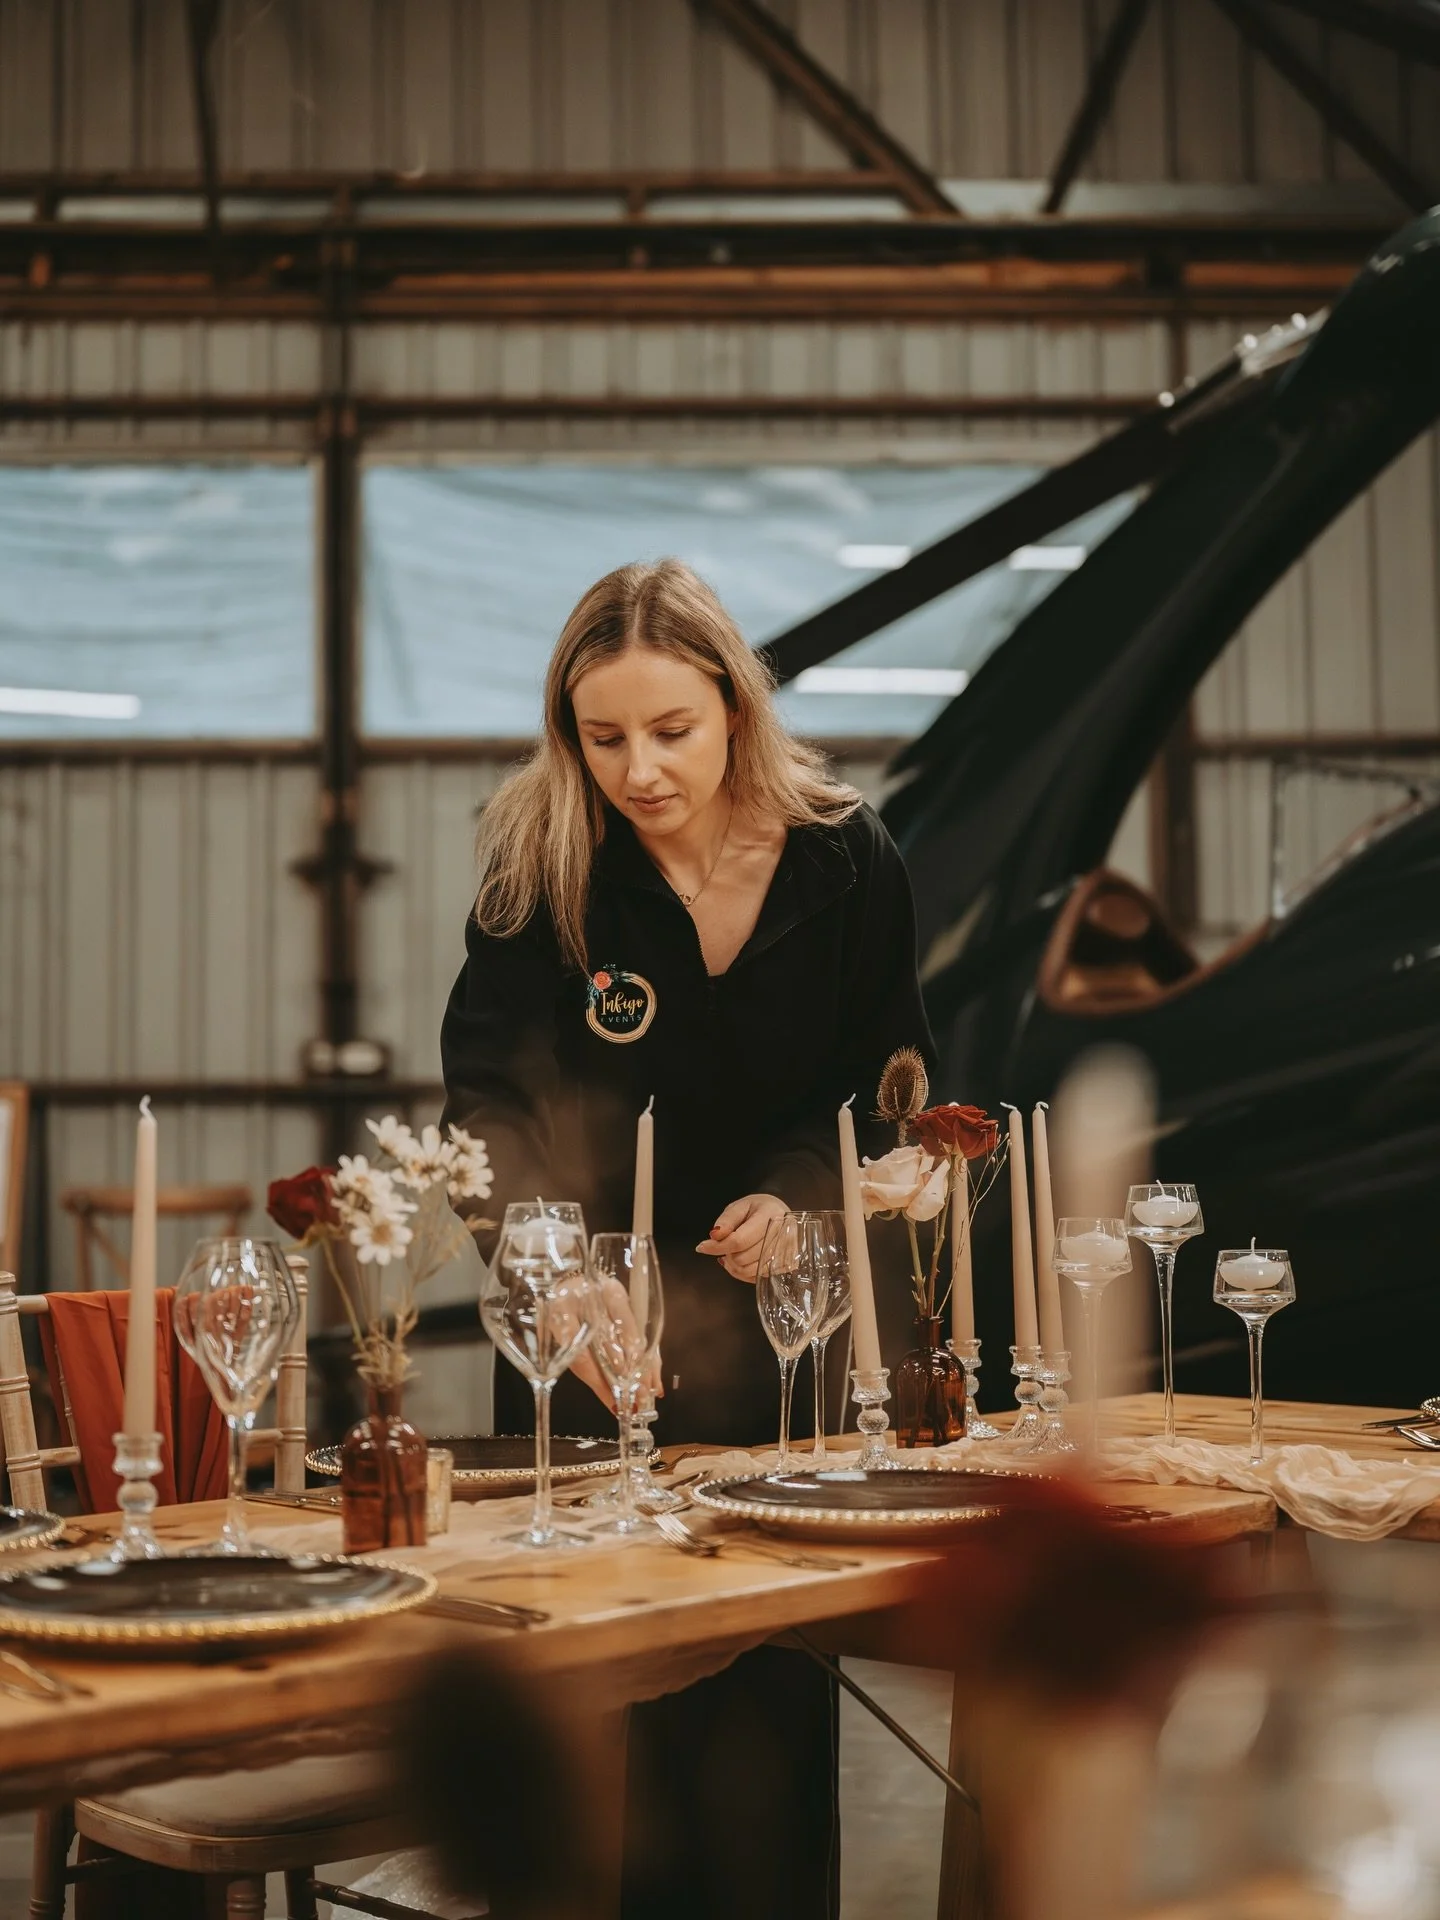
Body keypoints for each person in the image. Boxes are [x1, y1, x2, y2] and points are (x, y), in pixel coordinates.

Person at [440, 557, 935, 1920]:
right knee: (598, 1725)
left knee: (768, 1703)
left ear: (736, 711)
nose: (640, 769)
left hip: (779, 1325)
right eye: (604, 738)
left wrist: (806, 1194)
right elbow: (484, 1105)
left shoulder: (847, 857)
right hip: (590, 1338)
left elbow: (881, 1078)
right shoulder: (543, 865)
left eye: (673, 731)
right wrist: (552, 1267)